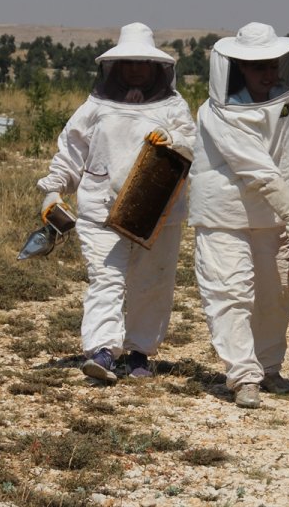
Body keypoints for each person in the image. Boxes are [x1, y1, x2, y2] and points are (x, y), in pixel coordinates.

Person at [37, 22, 196, 383]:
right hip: (101, 208)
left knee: (151, 283)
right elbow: (71, 150)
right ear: (117, 67)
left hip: (157, 212)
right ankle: (103, 351)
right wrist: (54, 189)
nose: (136, 68)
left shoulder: (173, 106)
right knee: (105, 279)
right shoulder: (94, 107)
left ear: (155, 67)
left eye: (142, 62)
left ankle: (140, 352)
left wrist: (172, 138)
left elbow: (193, 143)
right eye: (129, 62)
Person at [188, 22, 289, 408]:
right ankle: (243, 375)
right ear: (238, 68)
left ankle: (269, 368)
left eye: (272, 64)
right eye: (257, 65)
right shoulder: (216, 113)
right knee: (230, 293)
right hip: (224, 215)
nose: (267, 72)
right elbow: (257, 168)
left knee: (275, 295)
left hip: (274, 216)